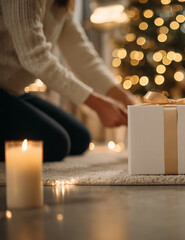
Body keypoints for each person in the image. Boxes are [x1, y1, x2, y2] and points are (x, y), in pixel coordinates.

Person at [0, 0, 136, 162]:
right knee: (56, 144)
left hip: (12, 92)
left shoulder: (60, 4)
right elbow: (35, 58)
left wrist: (124, 96)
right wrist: (97, 103)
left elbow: (82, 54)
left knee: (80, 138)